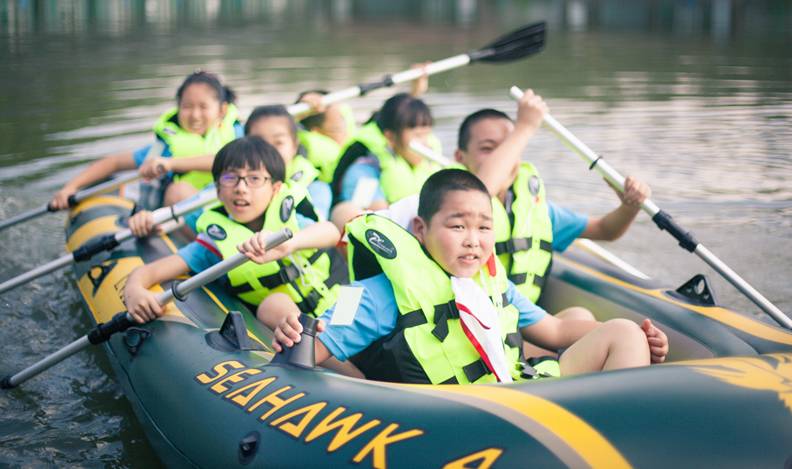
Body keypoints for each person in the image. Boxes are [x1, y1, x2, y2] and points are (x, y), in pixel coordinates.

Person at [272, 169, 668, 384]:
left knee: (623, 332)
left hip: (521, 388)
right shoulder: (375, 294)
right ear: (422, 229)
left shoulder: (495, 283)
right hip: (462, 418)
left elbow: (557, 333)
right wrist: (294, 333)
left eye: (484, 228)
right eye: (458, 227)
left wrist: (643, 336)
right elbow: (309, 352)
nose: (474, 242)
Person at [123, 136, 341, 331]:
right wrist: (134, 290)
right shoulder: (213, 244)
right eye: (230, 178)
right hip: (297, 328)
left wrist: (288, 245)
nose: (241, 188)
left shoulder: (290, 219)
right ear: (217, 189)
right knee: (273, 305)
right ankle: (338, 371)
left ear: (275, 189)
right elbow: (149, 272)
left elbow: (331, 231)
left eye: (254, 179)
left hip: (341, 303)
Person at [51, 71, 242, 210]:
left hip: (236, 207)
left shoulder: (239, 135)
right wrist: (70, 188)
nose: (194, 115)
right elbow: (113, 162)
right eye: (187, 107)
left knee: (178, 190)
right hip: (194, 223)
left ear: (222, 110)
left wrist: (171, 164)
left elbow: (231, 161)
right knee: (177, 191)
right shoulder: (164, 148)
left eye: (203, 107)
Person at [330, 90, 442, 211]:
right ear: (390, 137)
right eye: (417, 136)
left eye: (427, 134)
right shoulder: (363, 170)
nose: (425, 144)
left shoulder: (431, 161)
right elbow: (370, 214)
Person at [244, 105, 333, 221]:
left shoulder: (316, 188)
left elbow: (319, 227)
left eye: (278, 142)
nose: (268, 149)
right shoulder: (231, 184)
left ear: (294, 146)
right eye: (259, 142)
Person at [294, 90, 358, 183]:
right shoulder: (302, 151)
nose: (346, 134)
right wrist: (297, 115)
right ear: (316, 132)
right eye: (337, 129)